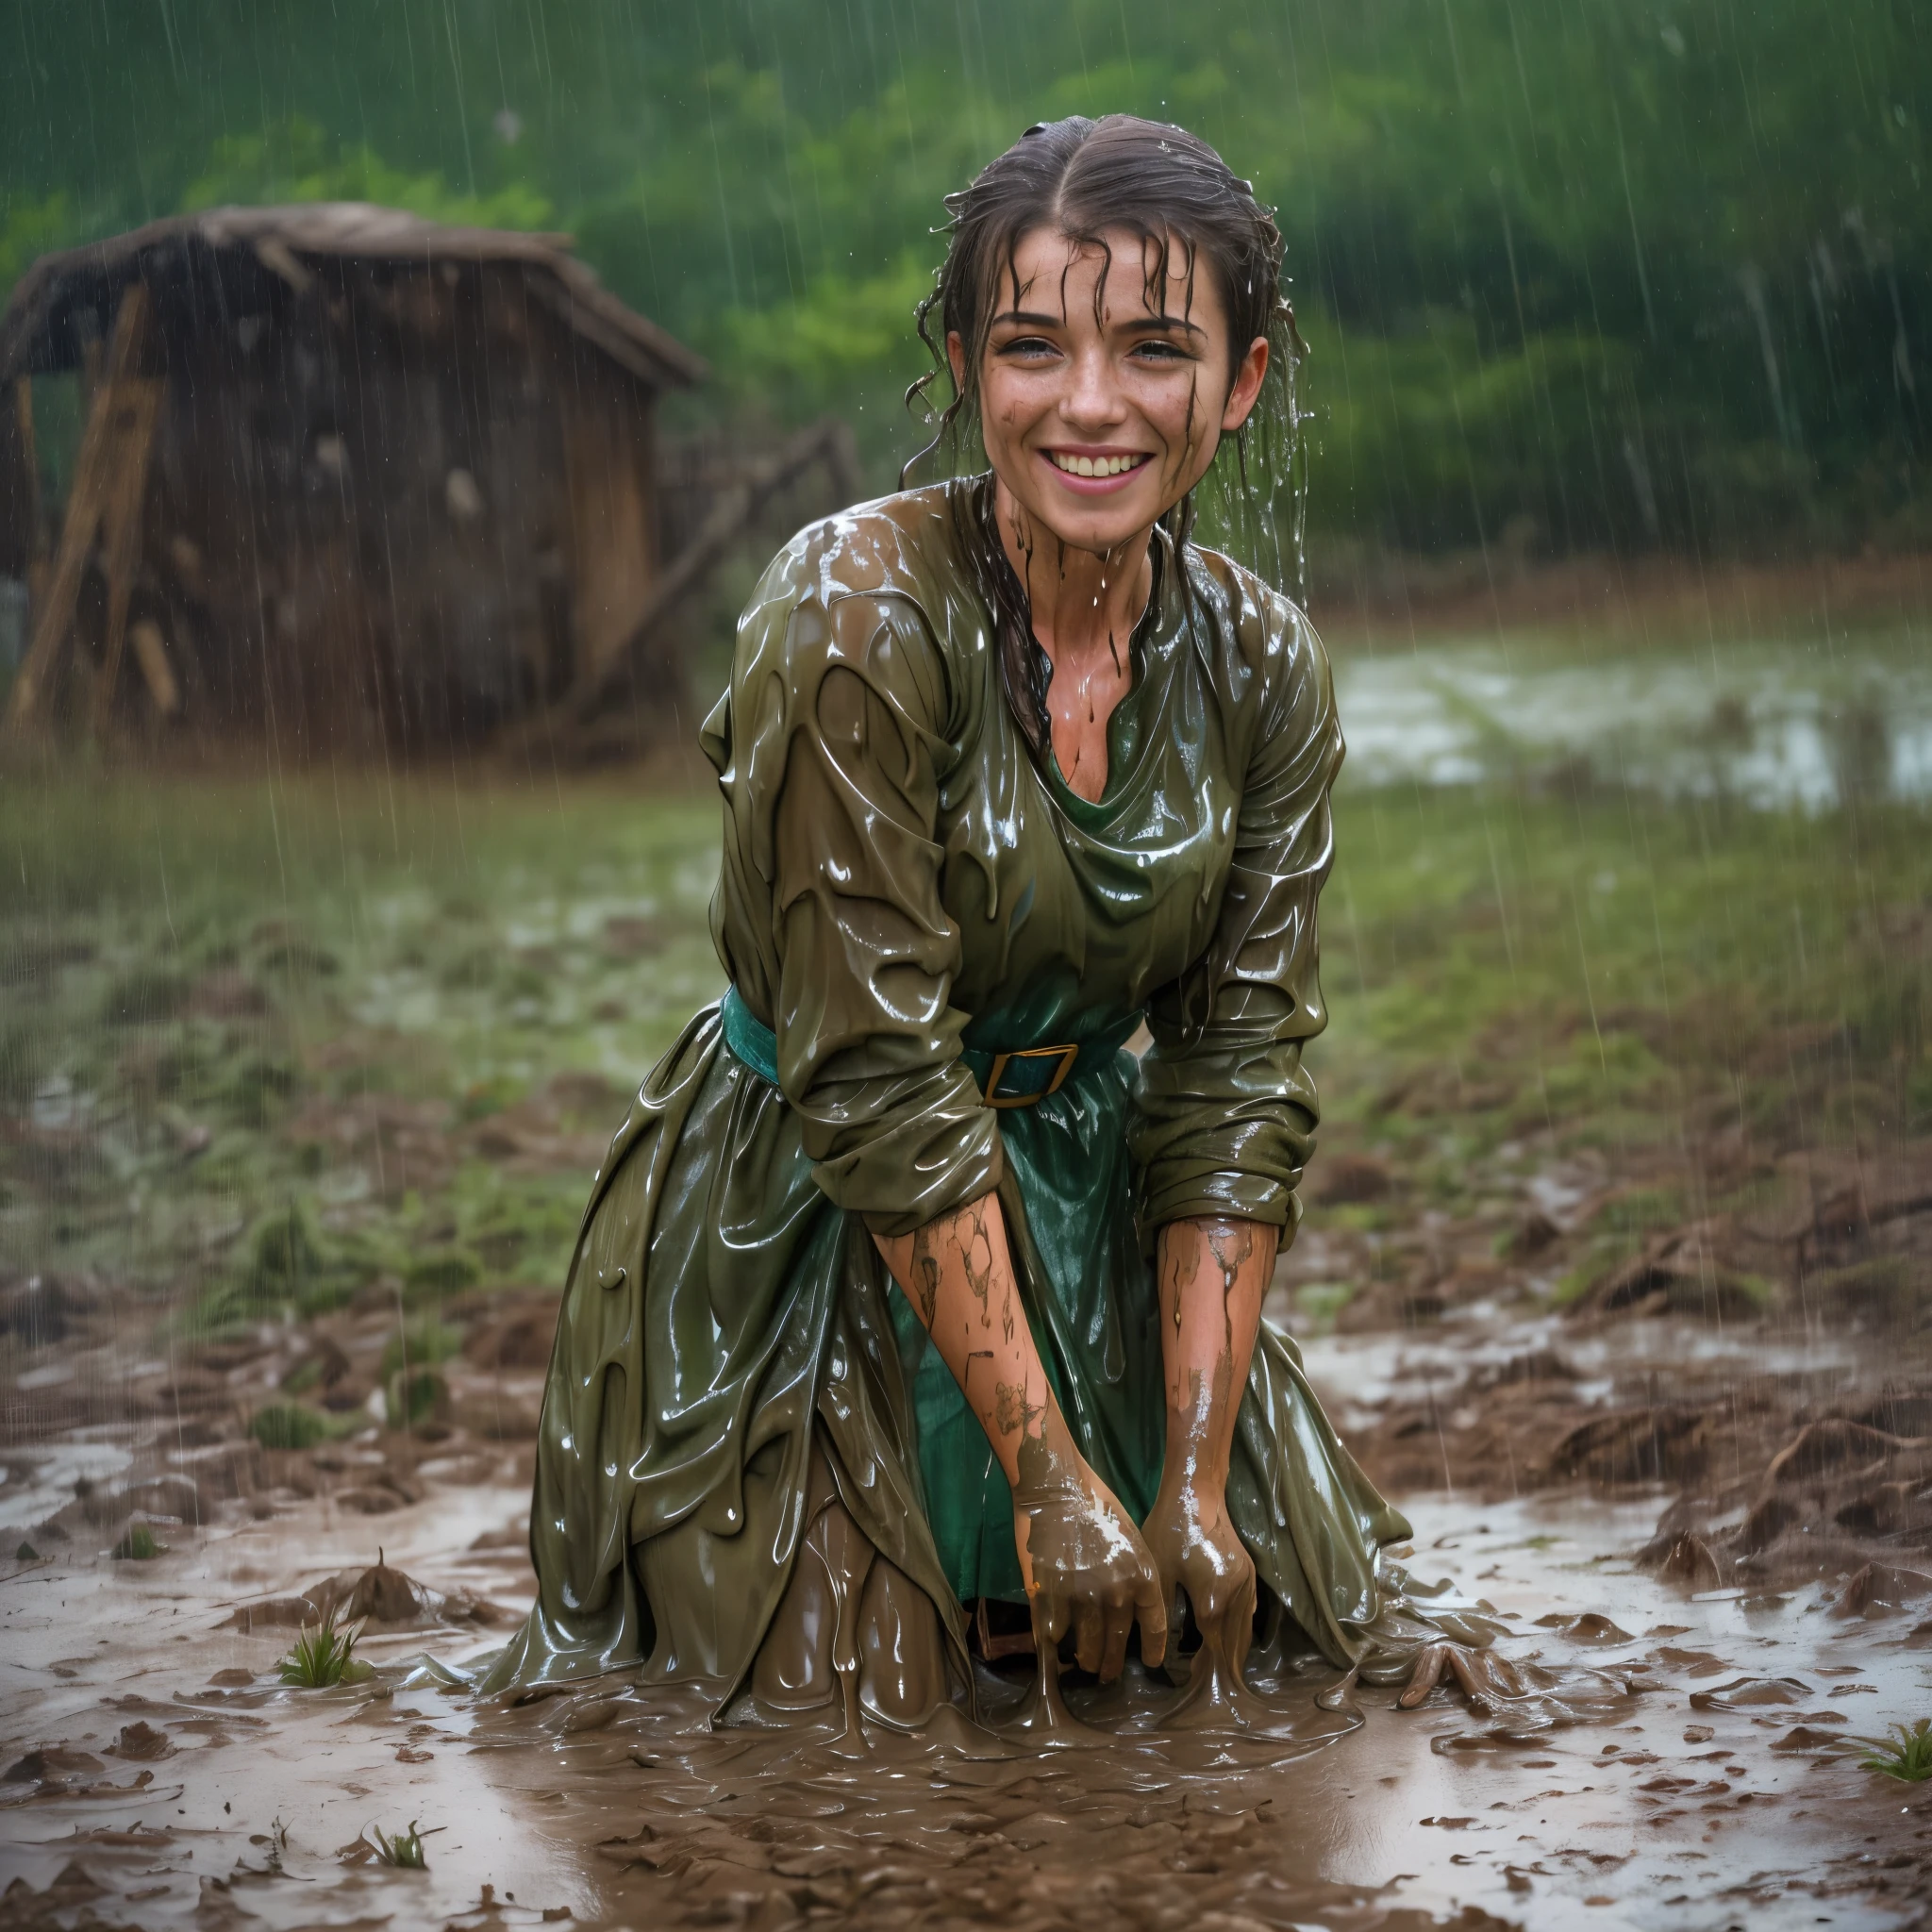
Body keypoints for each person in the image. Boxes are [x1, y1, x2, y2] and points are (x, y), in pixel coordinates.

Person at [482, 114, 1495, 1725]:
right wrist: (1041, 1466)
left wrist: (1192, 1473)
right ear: (966, 363)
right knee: (837, 1717)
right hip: (807, 1214)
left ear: (1236, 386)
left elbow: (1237, 1077)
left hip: (1093, 1203)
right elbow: (875, 1075)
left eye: (1156, 349)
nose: (1090, 405)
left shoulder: (1260, 663)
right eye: (1033, 345)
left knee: (1282, 1641)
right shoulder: (853, 618)